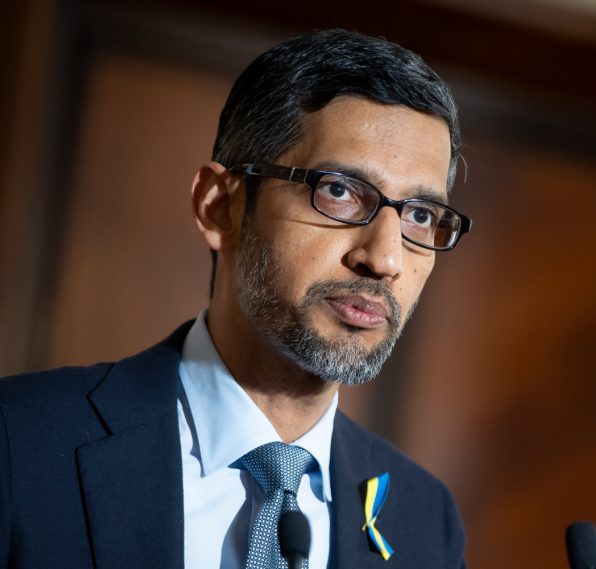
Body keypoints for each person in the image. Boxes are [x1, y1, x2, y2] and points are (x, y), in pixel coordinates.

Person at [0, 28, 472, 569]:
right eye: (339, 191)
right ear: (220, 207)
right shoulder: (19, 440)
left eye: (420, 215)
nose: (385, 259)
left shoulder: (426, 522)